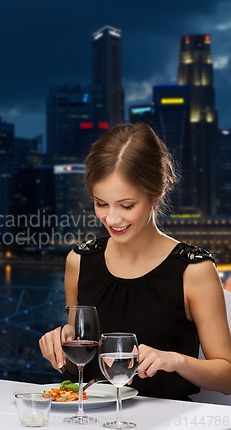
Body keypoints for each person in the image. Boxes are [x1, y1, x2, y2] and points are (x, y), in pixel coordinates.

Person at [39, 122, 231, 400]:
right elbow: (79, 365)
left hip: (166, 421)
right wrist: (60, 342)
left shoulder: (193, 270)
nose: (112, 219)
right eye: (101, 204)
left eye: (127, 206)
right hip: (88, 419)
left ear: (155, 195)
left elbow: (227, 377)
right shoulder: (79, 261)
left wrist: (176, 361)